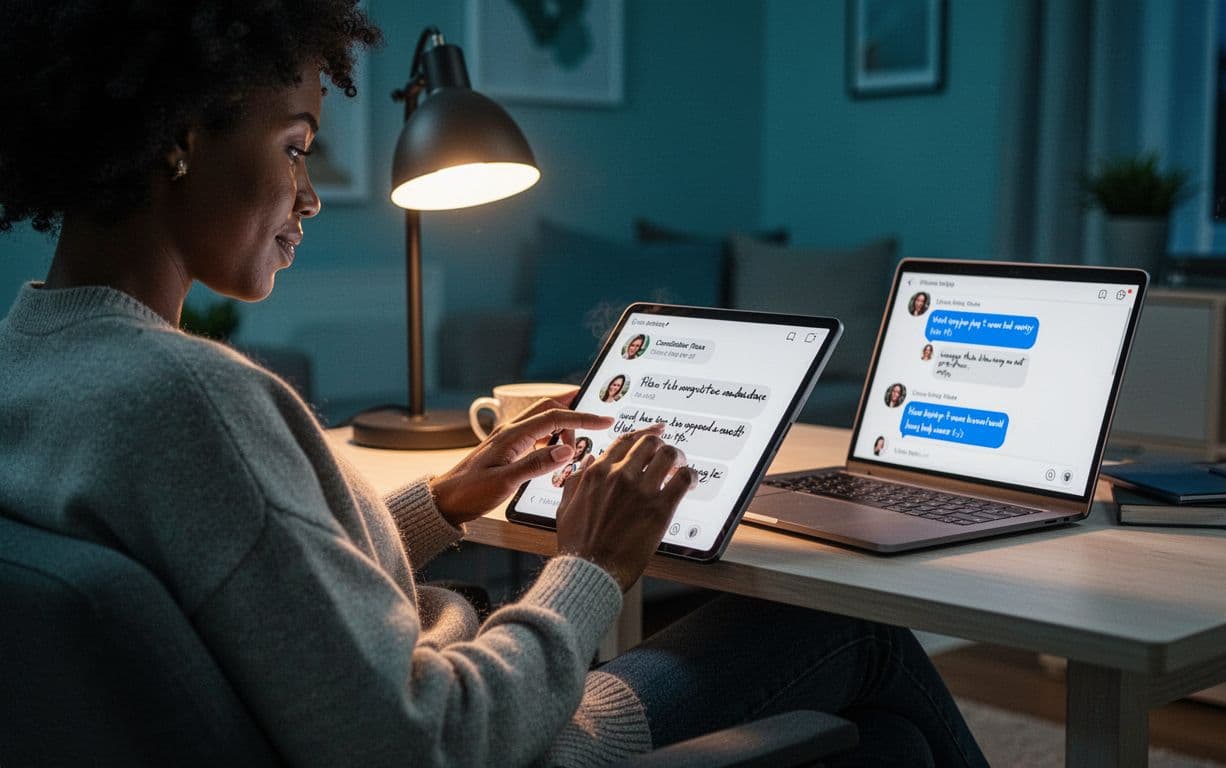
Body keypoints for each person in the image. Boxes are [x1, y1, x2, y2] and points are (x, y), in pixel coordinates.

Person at [0, 3, 987, 766]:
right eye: (296, 147)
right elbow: (427, 741)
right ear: (177, 135)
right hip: (518, 740)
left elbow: (267, 590)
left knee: (888, 748)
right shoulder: (190, 400)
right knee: (855, 627)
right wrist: (590, 566)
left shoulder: (35, 358)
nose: (309, 194)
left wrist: (446, 500)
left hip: (406, 703)